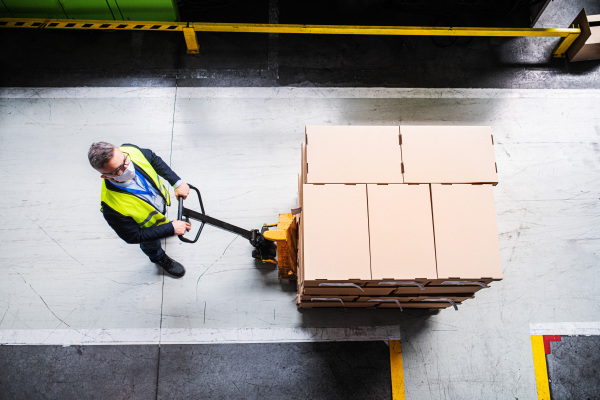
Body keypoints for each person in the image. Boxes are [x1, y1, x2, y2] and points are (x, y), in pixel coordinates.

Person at [88, 142, 191, 278]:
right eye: (118, 170)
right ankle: (158, 258)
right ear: (106, 176)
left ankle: (165, 227)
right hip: (145, 228)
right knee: (151, 245)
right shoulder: (111, 207)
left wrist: (177, 182)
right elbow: (133, 236)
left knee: (162, 223)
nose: (127, 168)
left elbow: (153, 159)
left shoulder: (131, 151)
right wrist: (170, 228)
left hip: (158, 208)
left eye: (125, 160)